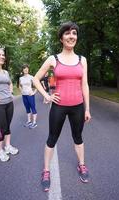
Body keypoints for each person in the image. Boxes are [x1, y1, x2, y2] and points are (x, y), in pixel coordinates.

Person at [32, 21, 92, 192]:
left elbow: (85, 85)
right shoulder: (53, 59)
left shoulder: (83, 60)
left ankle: (82, 165)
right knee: (52, 138)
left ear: (76, 37)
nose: (71, 36)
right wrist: (47, 96)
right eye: (67, 33)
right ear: (61, 38)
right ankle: (46, 171)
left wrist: (87, 108)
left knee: (78, 137)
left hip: (78, 107)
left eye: (74, 33)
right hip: (58, 106)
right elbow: (36, 79)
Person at [19, 64, 38, 129]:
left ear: (28, 69)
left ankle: (34, 122)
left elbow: (37, 85)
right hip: (24, 95)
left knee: (33, 108)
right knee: (27, 108)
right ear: (23, 70)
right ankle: (29, 121)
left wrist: (34, 92)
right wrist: (21, 91)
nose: (26, 69)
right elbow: (19, 86)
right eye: (24, 68)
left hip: (30, 95)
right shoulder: (20, 78)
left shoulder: (31, 77)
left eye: (27, 68)